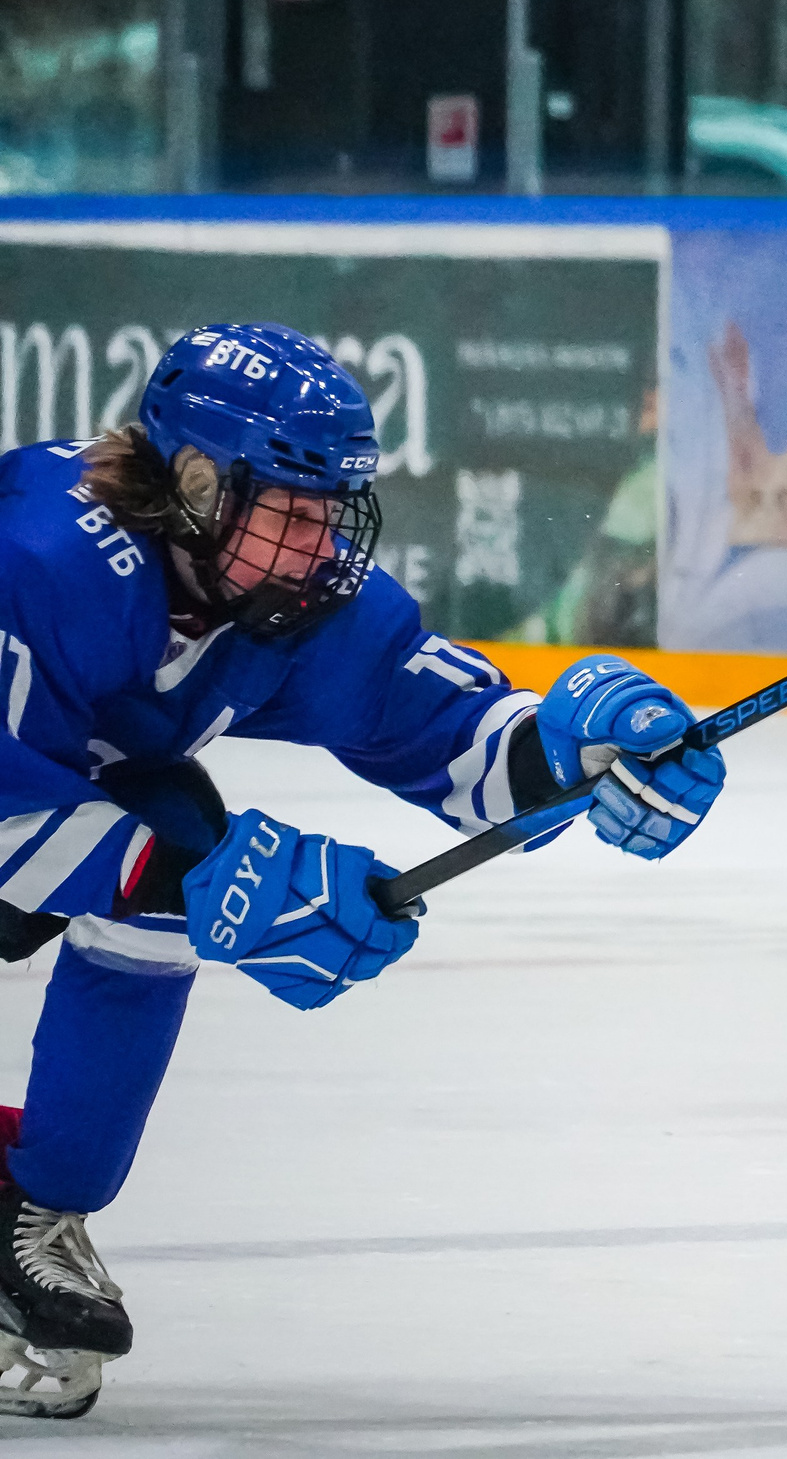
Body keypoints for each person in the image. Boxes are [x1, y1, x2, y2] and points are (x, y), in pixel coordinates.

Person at [0, 324, 725, 1417]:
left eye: (331, 513)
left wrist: (570, 751)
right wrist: (204, 881)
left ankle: (35, 1209)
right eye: (291, 514)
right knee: (180, 863)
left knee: (174, 836)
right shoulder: (42, 561)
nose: (320, 547)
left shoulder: (280, 601)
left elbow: (441, 728)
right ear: (196, 485)